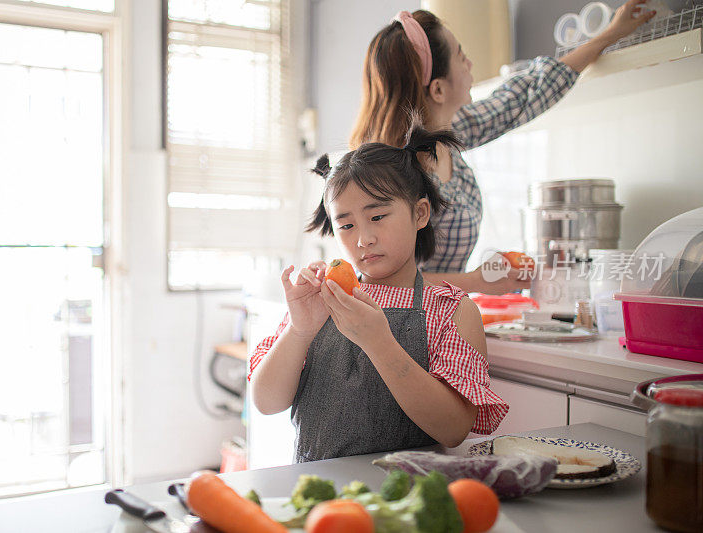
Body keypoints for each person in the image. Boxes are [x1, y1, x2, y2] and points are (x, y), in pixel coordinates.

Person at [349, 0, 656, 294]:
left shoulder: (452, 133)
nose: (470, 64)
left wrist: (612, 33)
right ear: (439, 89)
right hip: (400, 331)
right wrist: (477, 282)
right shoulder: (391, 169)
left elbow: (526, 95)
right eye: (460, 56)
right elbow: (380, 282)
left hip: (442, 318)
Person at [248, 121, 508, 463]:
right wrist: (300, 331)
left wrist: (380, 343)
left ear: (419, 213)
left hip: (407, 502)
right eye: (346, 225)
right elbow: (267, 402)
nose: (363, 239)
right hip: (322, 502)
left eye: (378, 216)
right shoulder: (321, 300)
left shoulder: (450, 310)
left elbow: (454, 428)